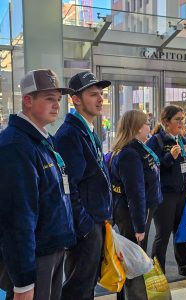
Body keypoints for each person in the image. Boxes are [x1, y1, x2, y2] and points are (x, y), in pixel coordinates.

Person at [0, 69, 76, 300]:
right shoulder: (16, 146)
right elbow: (17, 217)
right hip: (36, 256)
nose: (56, 106)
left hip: (52, 248)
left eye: (58, 100)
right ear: (28, 100)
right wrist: (23, 282)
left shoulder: (42, 140)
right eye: (49, 99)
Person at [54, 71, 113, 300]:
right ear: (75, 99)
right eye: (92, 94)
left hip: (96, 220)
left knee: (88, 284)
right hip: (86, 227)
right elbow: (69, 188)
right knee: (78, 287)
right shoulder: (70, 134)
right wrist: (86, 226)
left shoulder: (87, 130)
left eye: (101, 94)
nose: (100, 99)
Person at [108, 110, 162, 300]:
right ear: (137, 128)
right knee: (133, 259)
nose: (150, 127)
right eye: (147, 123)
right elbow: (135, 192)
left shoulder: (134, 148)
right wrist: (139, 226)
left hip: (130, 210)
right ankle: (134, 296)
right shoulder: (130, 153)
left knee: (128, 257)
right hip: (133, 213)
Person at [146, 105, 186, 281]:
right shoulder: (155, 142)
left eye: (182, 119)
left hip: (182, 193)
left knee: (181, 232)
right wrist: (170, 156)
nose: (181, 122)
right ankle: (157, 274)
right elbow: (151, 170)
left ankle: (185, 268)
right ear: (165, 121)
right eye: (177, 119)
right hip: (164, 195)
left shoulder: (183, 140)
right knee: (162, 236)